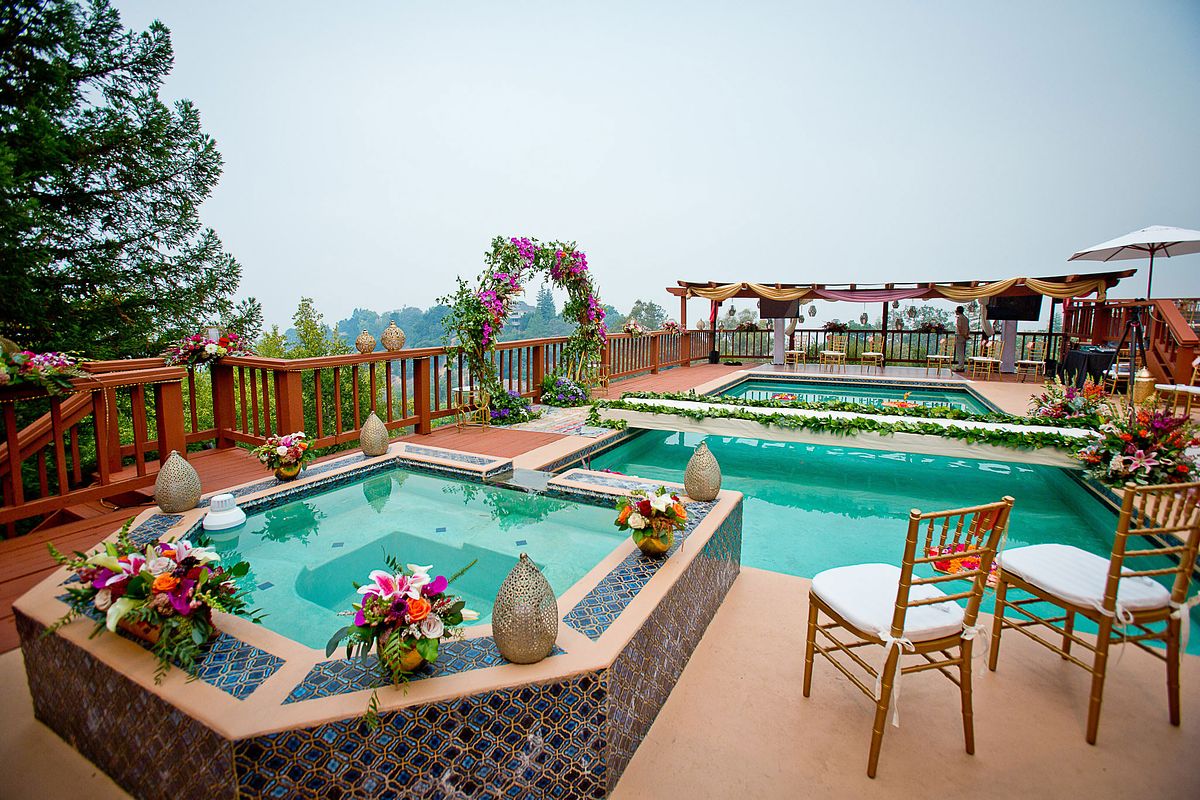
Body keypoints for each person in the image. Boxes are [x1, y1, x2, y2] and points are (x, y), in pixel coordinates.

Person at [953, 305, 970, 371]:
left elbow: (959, 328)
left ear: (957, 311)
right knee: (962, 352)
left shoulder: (959, 318)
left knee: (960, 352)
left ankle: (960, 367)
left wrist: (963, 335)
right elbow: (968, 328)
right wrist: (967, 335)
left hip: (960, 336)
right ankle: (961, 366)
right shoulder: (966, 318)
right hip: (964, 336)